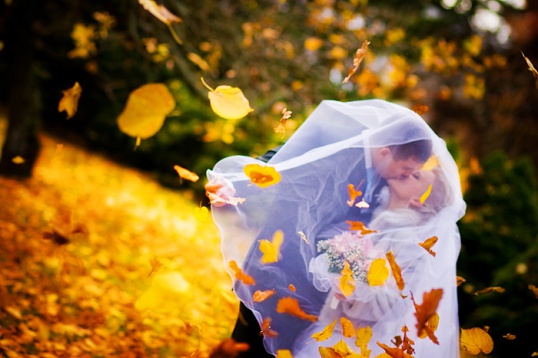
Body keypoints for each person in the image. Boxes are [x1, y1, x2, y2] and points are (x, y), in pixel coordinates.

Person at [206, 99, 465, 357]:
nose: (404, 175)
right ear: (385, 151)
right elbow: (281, 160)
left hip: (321, 298)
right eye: (405, 168)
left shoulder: (388, 190)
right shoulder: (330, 139)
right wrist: (237, 184)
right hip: (276, 266)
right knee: (243, 347)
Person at [293, 165, 458, 357]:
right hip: (338, 331)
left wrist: (354, 290)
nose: (406, 171)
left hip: (356, 344)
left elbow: (398, 303)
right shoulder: (381, 219)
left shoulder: (410, 240)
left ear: (417, 200)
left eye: (416, 176)